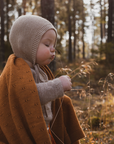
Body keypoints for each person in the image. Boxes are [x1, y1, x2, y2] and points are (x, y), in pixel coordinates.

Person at [0, 15, 85, 144]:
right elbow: (30, 95)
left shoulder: (39, 69)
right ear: (26, 44)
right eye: (47, 44)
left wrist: (61, 100)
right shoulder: (17, 70)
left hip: (44, 127)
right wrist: (58, 86)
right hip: (29, 130)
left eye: (53, 45)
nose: (53, 49)